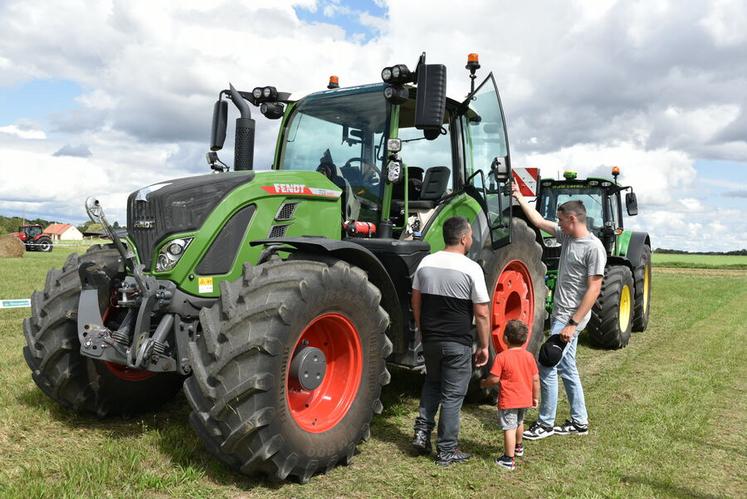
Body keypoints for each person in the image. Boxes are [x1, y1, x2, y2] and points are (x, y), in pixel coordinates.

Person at [512, 182, 606, 439]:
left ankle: (545, 423)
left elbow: (594, 289)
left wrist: (572, 324)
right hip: (562, 313)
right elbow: (540, 222)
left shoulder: (593, 248)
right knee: (567, 367)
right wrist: (520, 197)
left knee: (546, 365)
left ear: (573, 219)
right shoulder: (567, 237)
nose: (560, 225)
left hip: (570, 317)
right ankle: (579, 421)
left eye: (563, 221)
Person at [410, 216, 491, 466]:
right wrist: (485, 345)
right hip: (458, 342)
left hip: (431, 338)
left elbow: (416, 301)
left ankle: (422, 434)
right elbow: (482, 312)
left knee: (432, 384)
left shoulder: (426, 263)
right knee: (453, 395)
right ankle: (446, 449)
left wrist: (423, 330)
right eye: (471, 236)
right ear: (464, 238)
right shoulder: (471, 268)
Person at [480, 320, 540, 470]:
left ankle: (508, 459)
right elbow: (536, 379)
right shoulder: (529, 357)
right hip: (525, 398)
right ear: (525, 339)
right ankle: (518, 447)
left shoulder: (502, 357)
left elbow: (494, 378)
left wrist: (484, 383)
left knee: (509, 428)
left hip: (509, 400)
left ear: (505, 338)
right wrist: (535, 397)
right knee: (519, 423)